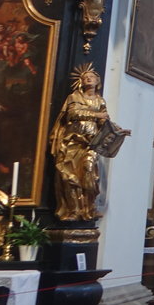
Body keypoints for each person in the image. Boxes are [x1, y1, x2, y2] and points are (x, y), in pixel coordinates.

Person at [50, 65, 129, 221]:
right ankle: (73, 210)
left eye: (91, 77)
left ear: (97, 81)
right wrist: (97, 114)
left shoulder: (100, 100)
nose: (88, 79)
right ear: (81, 81)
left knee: (89, 172)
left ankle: (89, 208)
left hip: (91, 144)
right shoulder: (75, 97)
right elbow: (73, 114)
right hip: (73, 141)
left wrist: (118, 130)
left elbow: (104, 122)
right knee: (68, 177)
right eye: (85, 77)